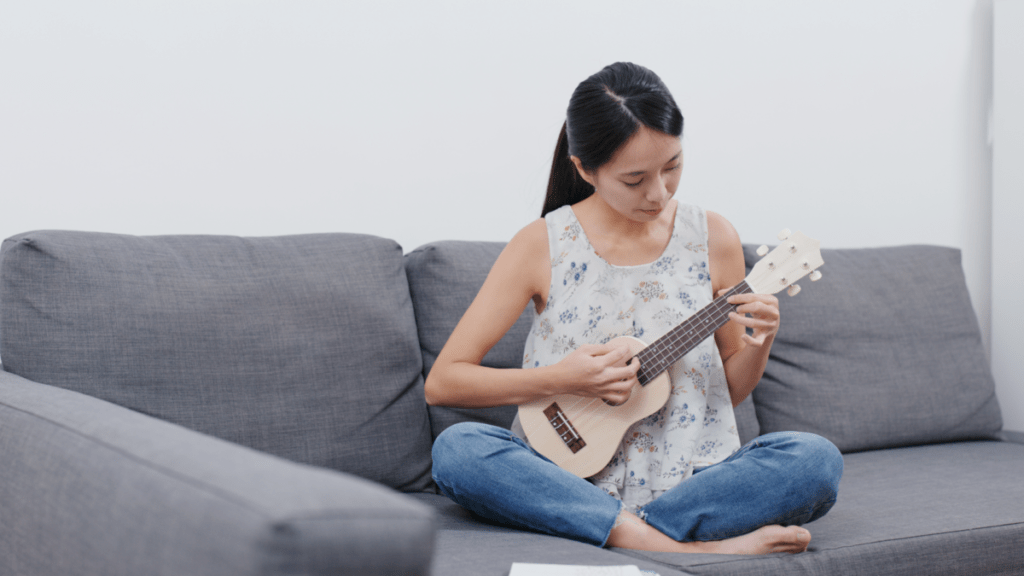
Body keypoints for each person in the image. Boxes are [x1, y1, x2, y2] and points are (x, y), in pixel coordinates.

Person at [424, 62, 842, 555]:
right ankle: (680, 547)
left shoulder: (714, 237)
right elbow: (444, 383)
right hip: (565, 475)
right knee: (458, 450)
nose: (659, 193)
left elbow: (725, 393)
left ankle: (623, 531)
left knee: (815, 460)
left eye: (672, 166)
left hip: (692, 479)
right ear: (584, 168)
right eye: (635, 179)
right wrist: (565, 379)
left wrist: (759, 342)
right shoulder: (542, 244)